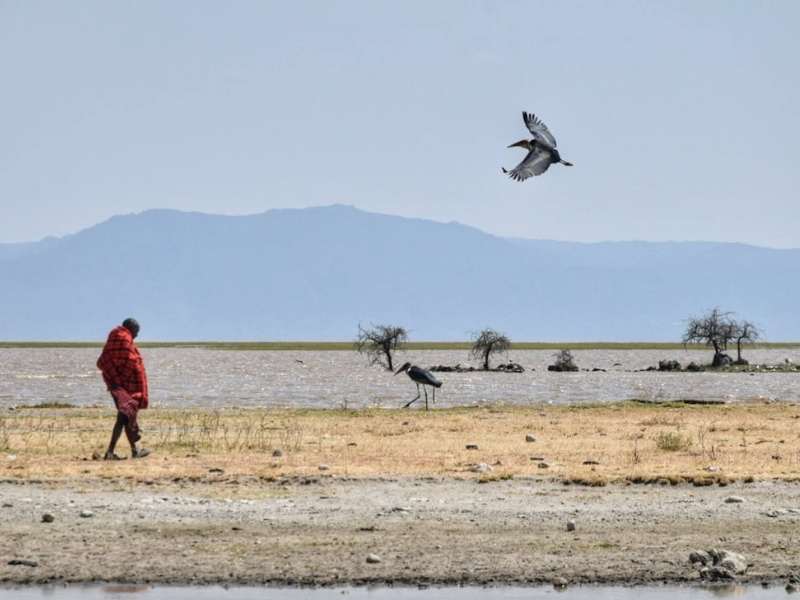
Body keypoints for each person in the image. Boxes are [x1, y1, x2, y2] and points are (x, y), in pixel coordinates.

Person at [97, 318, 151, 460]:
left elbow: (103, 360)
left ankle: (134, 450)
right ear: (130, 328)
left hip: (116, 385)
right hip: (125, 387)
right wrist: (124, 381)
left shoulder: (114, 338)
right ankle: (110, 452)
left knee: (126, 417)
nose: (137, 335)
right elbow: (130, 361)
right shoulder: (124, 339)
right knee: (123, 418)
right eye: (136, 332)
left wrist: (117, 380)